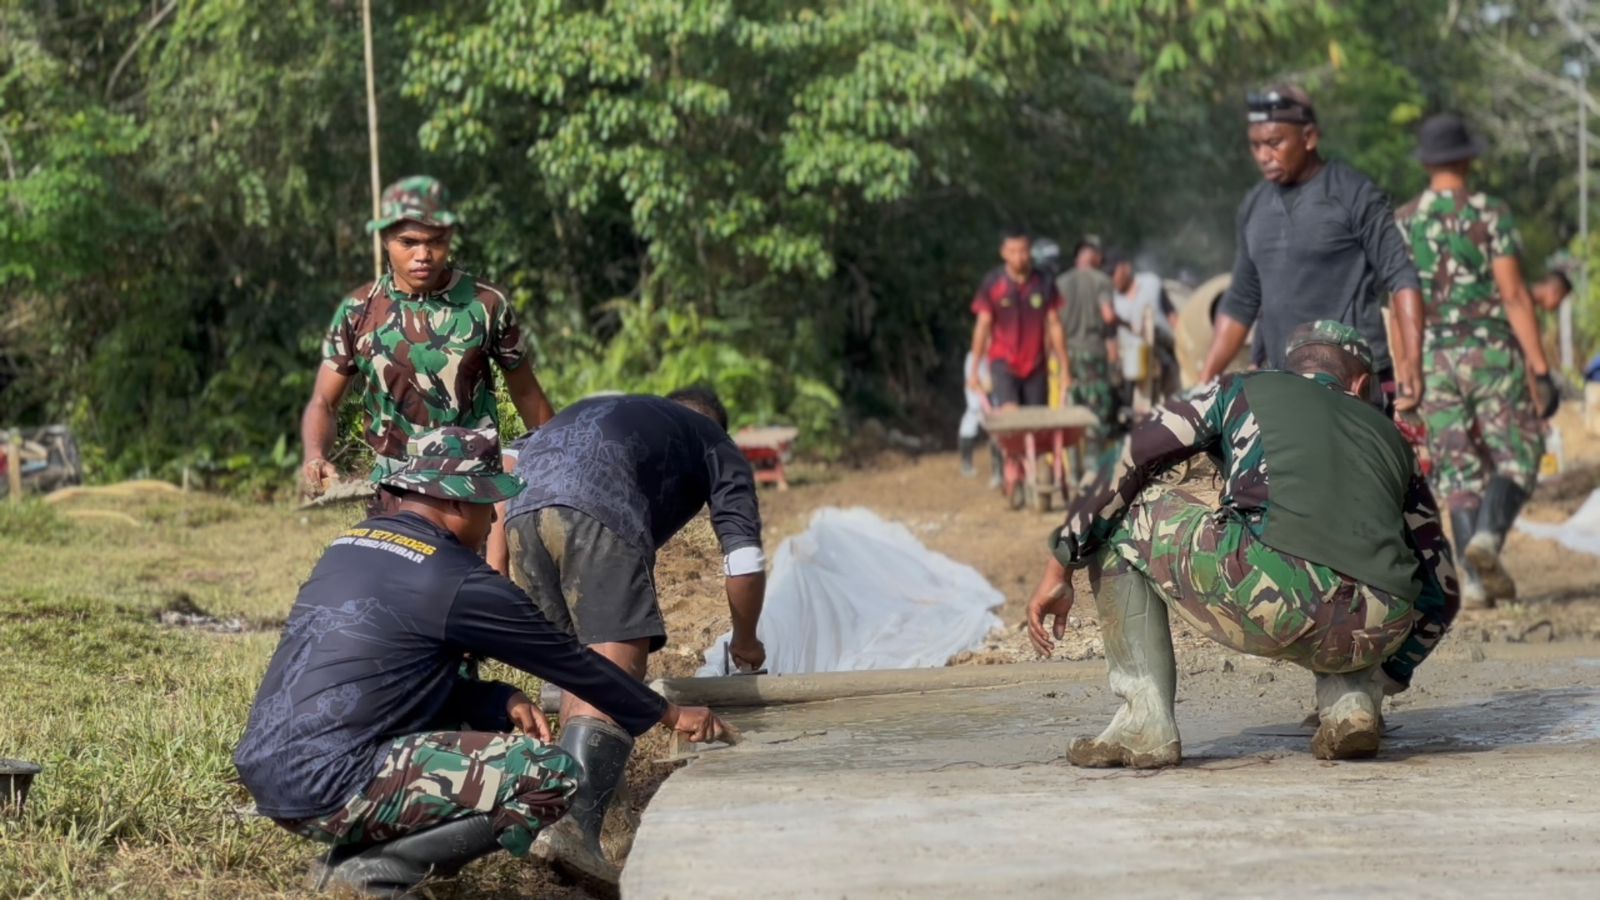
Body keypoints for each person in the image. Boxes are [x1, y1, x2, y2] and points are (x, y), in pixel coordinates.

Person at [234, 427, 730, 896]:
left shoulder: (350, 546)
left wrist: (498, 699)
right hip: (332, 783)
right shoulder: (459, 579)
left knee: (464, 724)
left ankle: (343, 861)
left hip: (270, 767)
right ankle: (383, 870)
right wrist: (669, 713)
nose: (494, 520)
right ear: (453, 501)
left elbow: (390, 676)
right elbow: (572, 664)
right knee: (552, 775)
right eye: (487, 504)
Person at [1027, 322, 1459, 768]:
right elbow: (1442, 590)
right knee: (1350, 569)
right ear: (1362, 384)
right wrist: (1386, 673)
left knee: (1121, 510)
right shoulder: (1394, 440)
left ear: (1287, 369)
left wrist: (1060, 565)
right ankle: (1353, 699)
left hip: (1264, 596)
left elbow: (1129, 456)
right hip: (1376, 625)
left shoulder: (1244, 388)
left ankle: (1144, 721)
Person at [502, 387, 767, 886]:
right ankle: (572, 828)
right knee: (611, 673)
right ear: (715, 423)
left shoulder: (604, 411)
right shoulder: (714, 441)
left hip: (521, 511)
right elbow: (744, 559)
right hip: (595, 510)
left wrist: (496, 566)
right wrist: (746, 641)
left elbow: (509, 458)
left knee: (576, 667)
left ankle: (580, 805)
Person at [300, 176, 555, 517]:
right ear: (385, 239)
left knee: (471, 571)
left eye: (436, 241)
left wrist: (559, 460)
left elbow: (527, 394)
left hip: (469, 493)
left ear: (450, 237)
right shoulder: (359, 311)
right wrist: (315, 455)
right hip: (393, 492)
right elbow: (323, 402)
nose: (423, 255)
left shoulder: (486, 304)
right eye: (409, 242)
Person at [1394, 113, 1559, 609]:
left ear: (1426, 163)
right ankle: (1487, 537)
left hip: (1433, 357)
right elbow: (1513, 294)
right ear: (1467, 159)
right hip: (1491, 356)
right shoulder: (1490, 213)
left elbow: (1402, 302)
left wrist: (1408, 371)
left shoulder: (1403, 221)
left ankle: (1475, 577)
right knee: (1520, 453)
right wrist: (1542, 369)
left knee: (1458, 471)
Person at [1198, 86, 1427, 415]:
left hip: (1351, 386)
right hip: (1282, 385)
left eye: (1275, 143)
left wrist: (1413, 366)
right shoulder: (1255, 206)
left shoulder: (1354, 195)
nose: (1264, 155)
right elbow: (1241, 301)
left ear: (1309, 138)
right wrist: (1207, 378)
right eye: (1256, 145)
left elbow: (1401, 277)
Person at [966, 229, 1069, 411]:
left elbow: (1055, 325)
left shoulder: (1044, 282)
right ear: (1003, 253)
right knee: (1011, 416)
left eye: (1023, 251)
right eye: (1012, 252)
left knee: (1036, 422)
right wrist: (974, 370)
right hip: (1003, 363)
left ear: (1030, 251)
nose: (1018, 257)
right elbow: (983, 325)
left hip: (1036, 365)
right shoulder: (993, 283)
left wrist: (1065, 368)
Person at [1055, 237, 1120, 434]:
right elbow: (1108, 315)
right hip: (1093, 352)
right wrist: (1123, 323)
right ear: (1097, 257)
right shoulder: (1102, 281)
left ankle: (1074, 461)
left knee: (1072, 410)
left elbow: (1052, 322)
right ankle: (1095, 460)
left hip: (1067, 354)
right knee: (1096, 411)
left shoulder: (1060, 282)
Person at [1107, 250, 1177, 413]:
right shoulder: (1113, 301)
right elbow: (1111, 337)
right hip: (1133, 363)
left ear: (1126, 268)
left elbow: (1172, 315)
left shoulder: (1151, 284)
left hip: (1166, 353)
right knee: (1139, 408)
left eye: (1113, 272)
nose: (1112, 278)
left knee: (1173, 404)